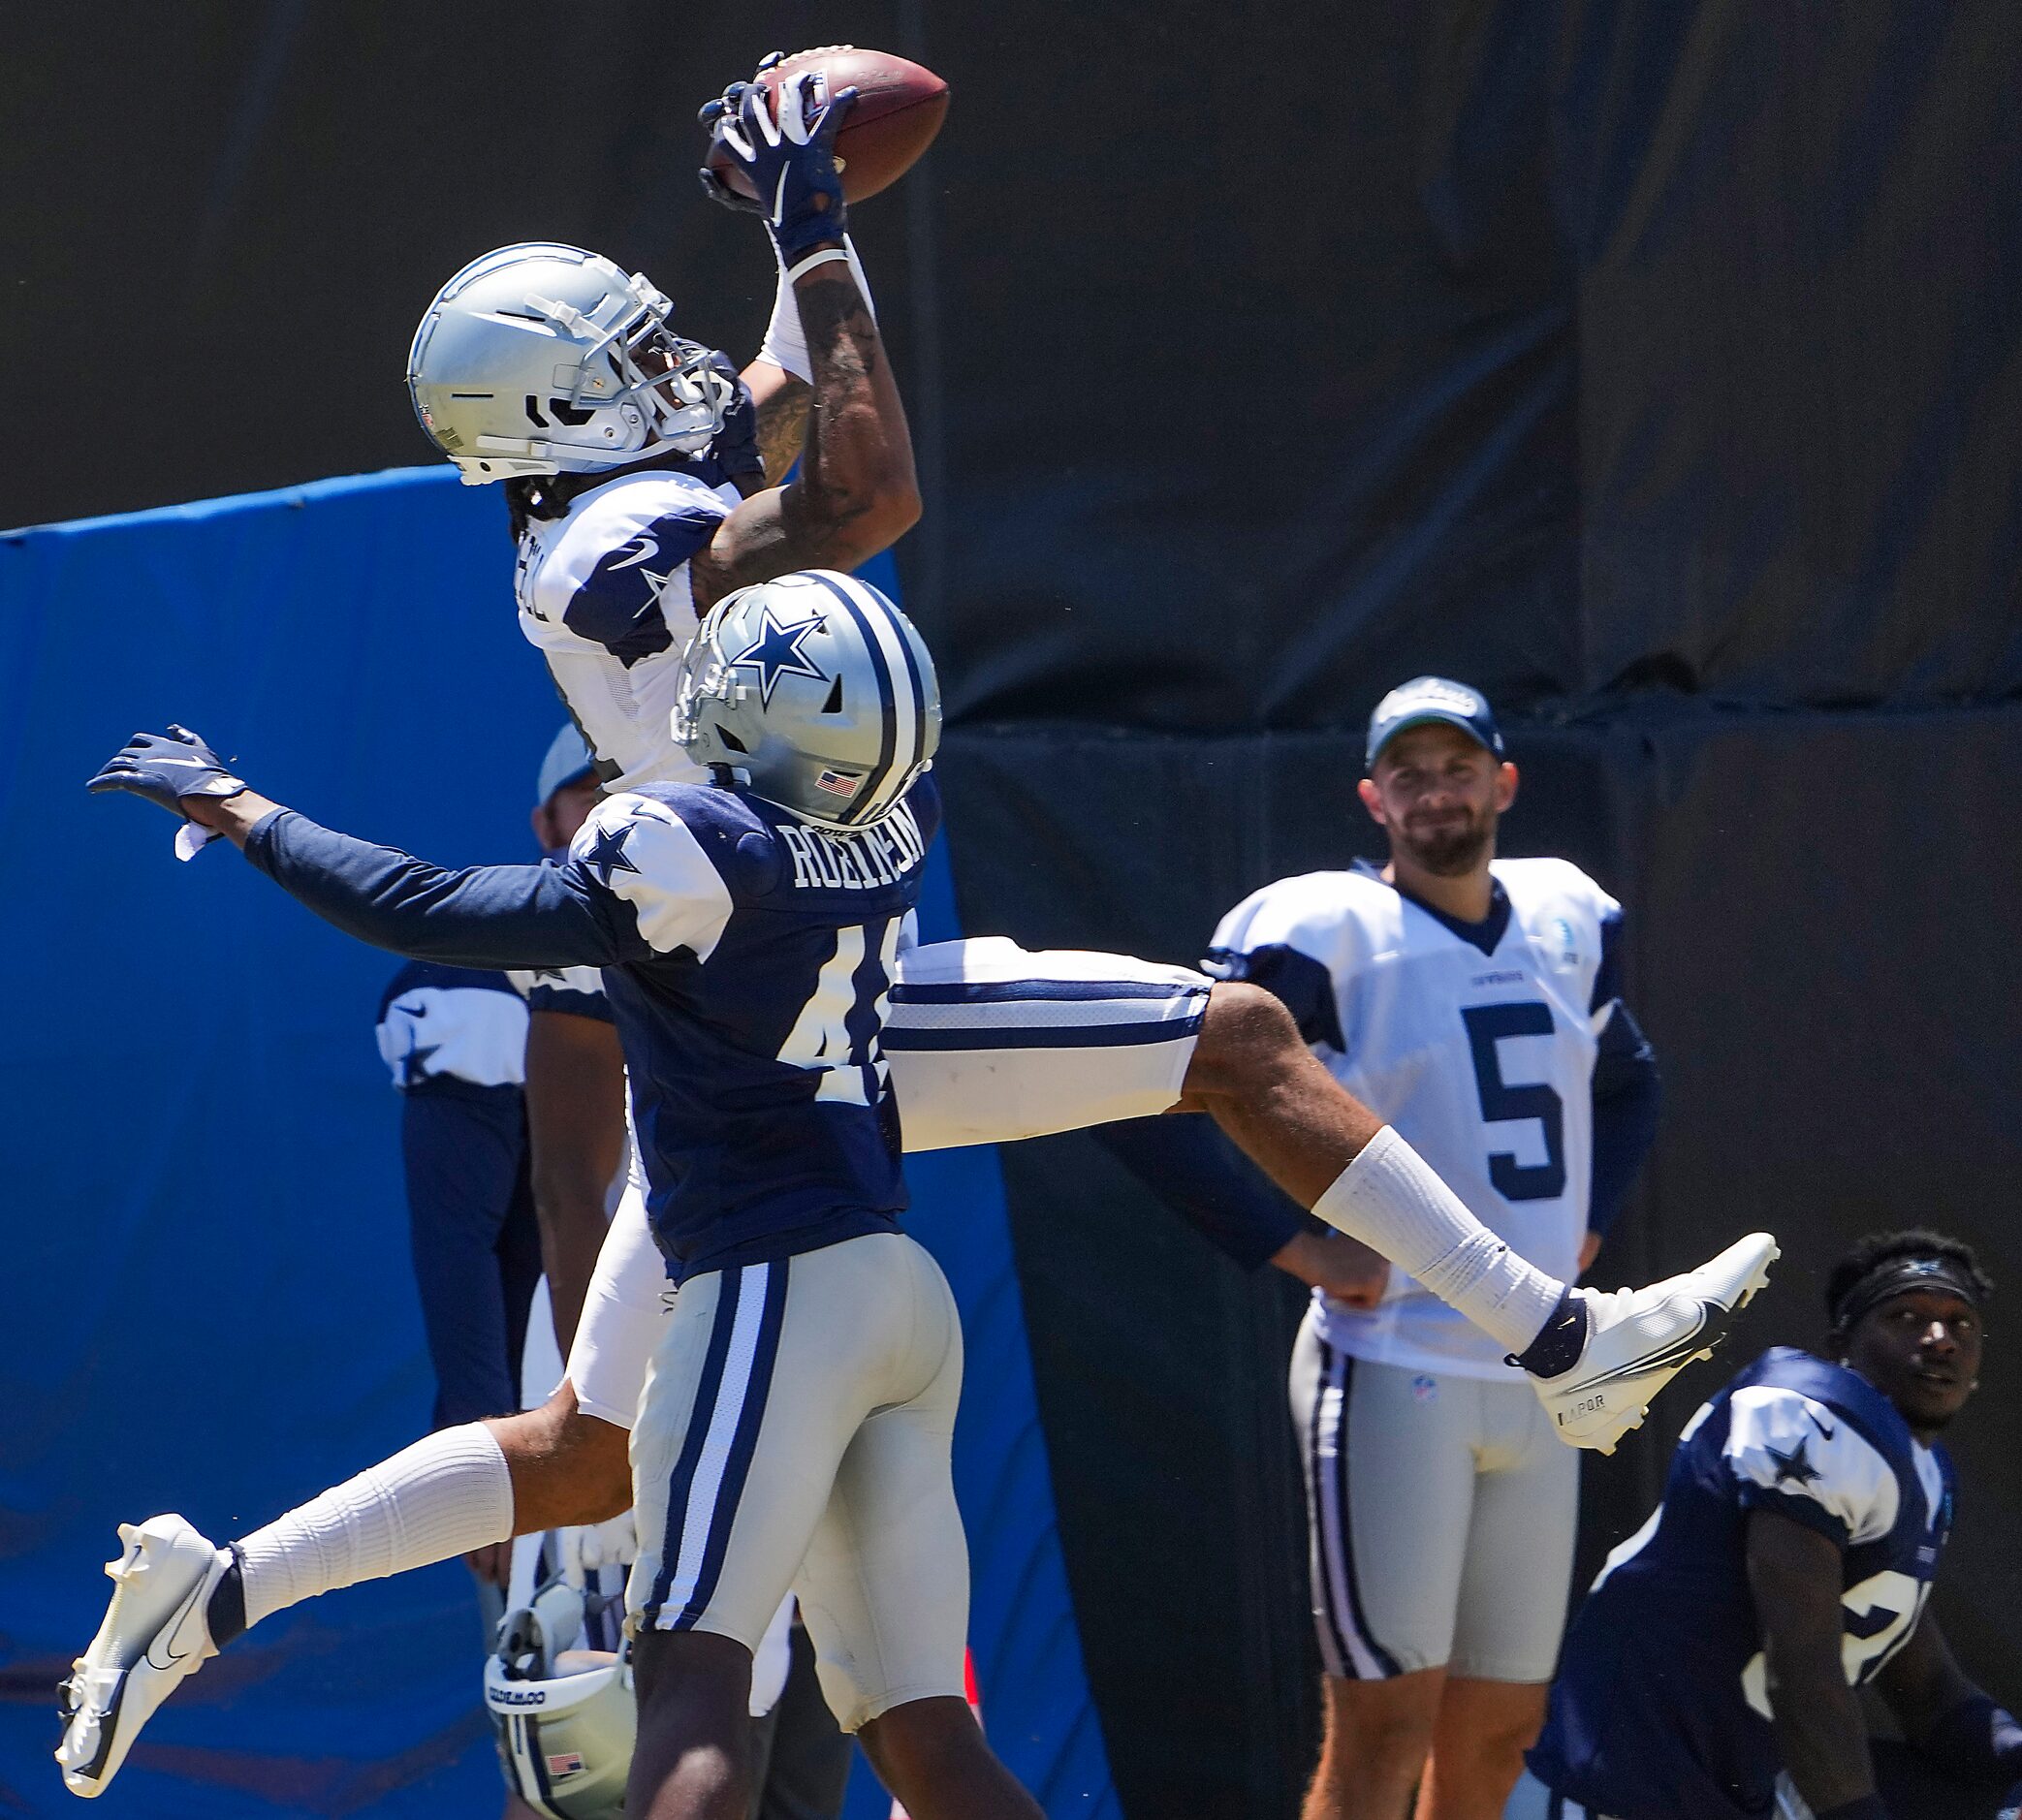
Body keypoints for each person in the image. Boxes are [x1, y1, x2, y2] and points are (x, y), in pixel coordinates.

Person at [71, 576, 1773, 1817]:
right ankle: (217, 1589)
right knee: (922, 1733)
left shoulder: (676, 854)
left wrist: (244, 811)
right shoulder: (882, 818)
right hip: (891, 1254)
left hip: (773, 1271)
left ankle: (1556, 1329)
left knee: (694, 1677)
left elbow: (438, 904)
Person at [1183, 675, 1662, 1820]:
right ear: (1372, 797)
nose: (1436, 792)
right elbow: (1161, 1094)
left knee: (1501, 1729)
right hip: (1393, 1360)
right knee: (1384, 1727)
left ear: (1503, 780)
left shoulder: (1562, 916)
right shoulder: (1319, 933)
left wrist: (1588, 1217)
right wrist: (1294, 1248)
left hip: (1539, 1370)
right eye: (1409, 773)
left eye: (1456, 769)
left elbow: (1630, 1077)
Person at [1527, 1229, 2022, 1820]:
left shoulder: (1927, 1474)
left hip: (1722, 1789)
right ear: (1842, 1344)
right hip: (1619, 1789)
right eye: (1906, 1315)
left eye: (1959, 1323)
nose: (1938, 1339)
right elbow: (1801, 1670)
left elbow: (1932, 1696)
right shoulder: (1808, 1411)